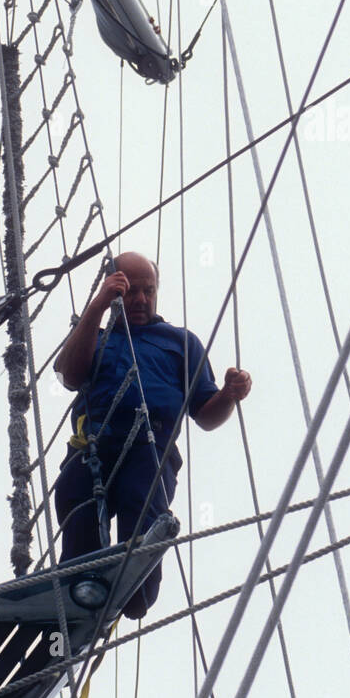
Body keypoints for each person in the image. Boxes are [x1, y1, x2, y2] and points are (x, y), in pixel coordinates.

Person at [53, 252, 251, 619]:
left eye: (149, 291)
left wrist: (228, 394)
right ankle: (79, 593)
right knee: (77, 505)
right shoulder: (95, 335)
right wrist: (98, 305)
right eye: (130, 292)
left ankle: (135, 592)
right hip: (92, 447)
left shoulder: (180, 343)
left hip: (149, 447)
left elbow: (206, 416)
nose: (141, 300)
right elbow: (70, 375)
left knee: (141, 506)